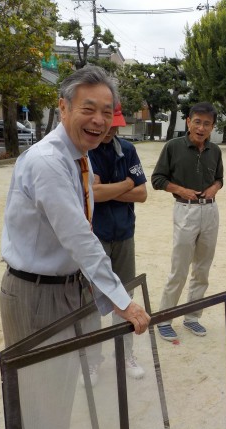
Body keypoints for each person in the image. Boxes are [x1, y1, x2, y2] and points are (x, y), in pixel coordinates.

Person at [0, 65, 150, 429]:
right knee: (39, 401)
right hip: (37, 294)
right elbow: (80, 237)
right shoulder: (49, 161)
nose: (99, 120)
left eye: (106, 110)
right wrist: (123, 303)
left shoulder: (78, 158)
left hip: (66, 288)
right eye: (88, 108)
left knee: (59, 395)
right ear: (63, 107)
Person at [84, 103, 148, 383]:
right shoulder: (85, 151)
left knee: (126, 295)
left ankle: (125, 354)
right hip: (94, 235)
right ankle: (92, 360)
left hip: (124, 232)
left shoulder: (128, 150)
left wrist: (105, 189)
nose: (111, 130)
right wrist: (124, 185)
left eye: (116, 123)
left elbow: (143, 193)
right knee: (92, 300)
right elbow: (92, 196)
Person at [151, 102, 224, 342]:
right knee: (179, 268)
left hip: (210, 212)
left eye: (207, 123)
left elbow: (220, 179)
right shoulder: (173, 147)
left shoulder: (215, 150)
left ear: (212, 127)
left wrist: (214, 188)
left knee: (202, 269)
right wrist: (182, 190)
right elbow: (157, 179)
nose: (201, 127)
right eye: (197, 121)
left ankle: (192, 317)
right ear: (188, 122)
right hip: (185, 211)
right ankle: (164, 319)